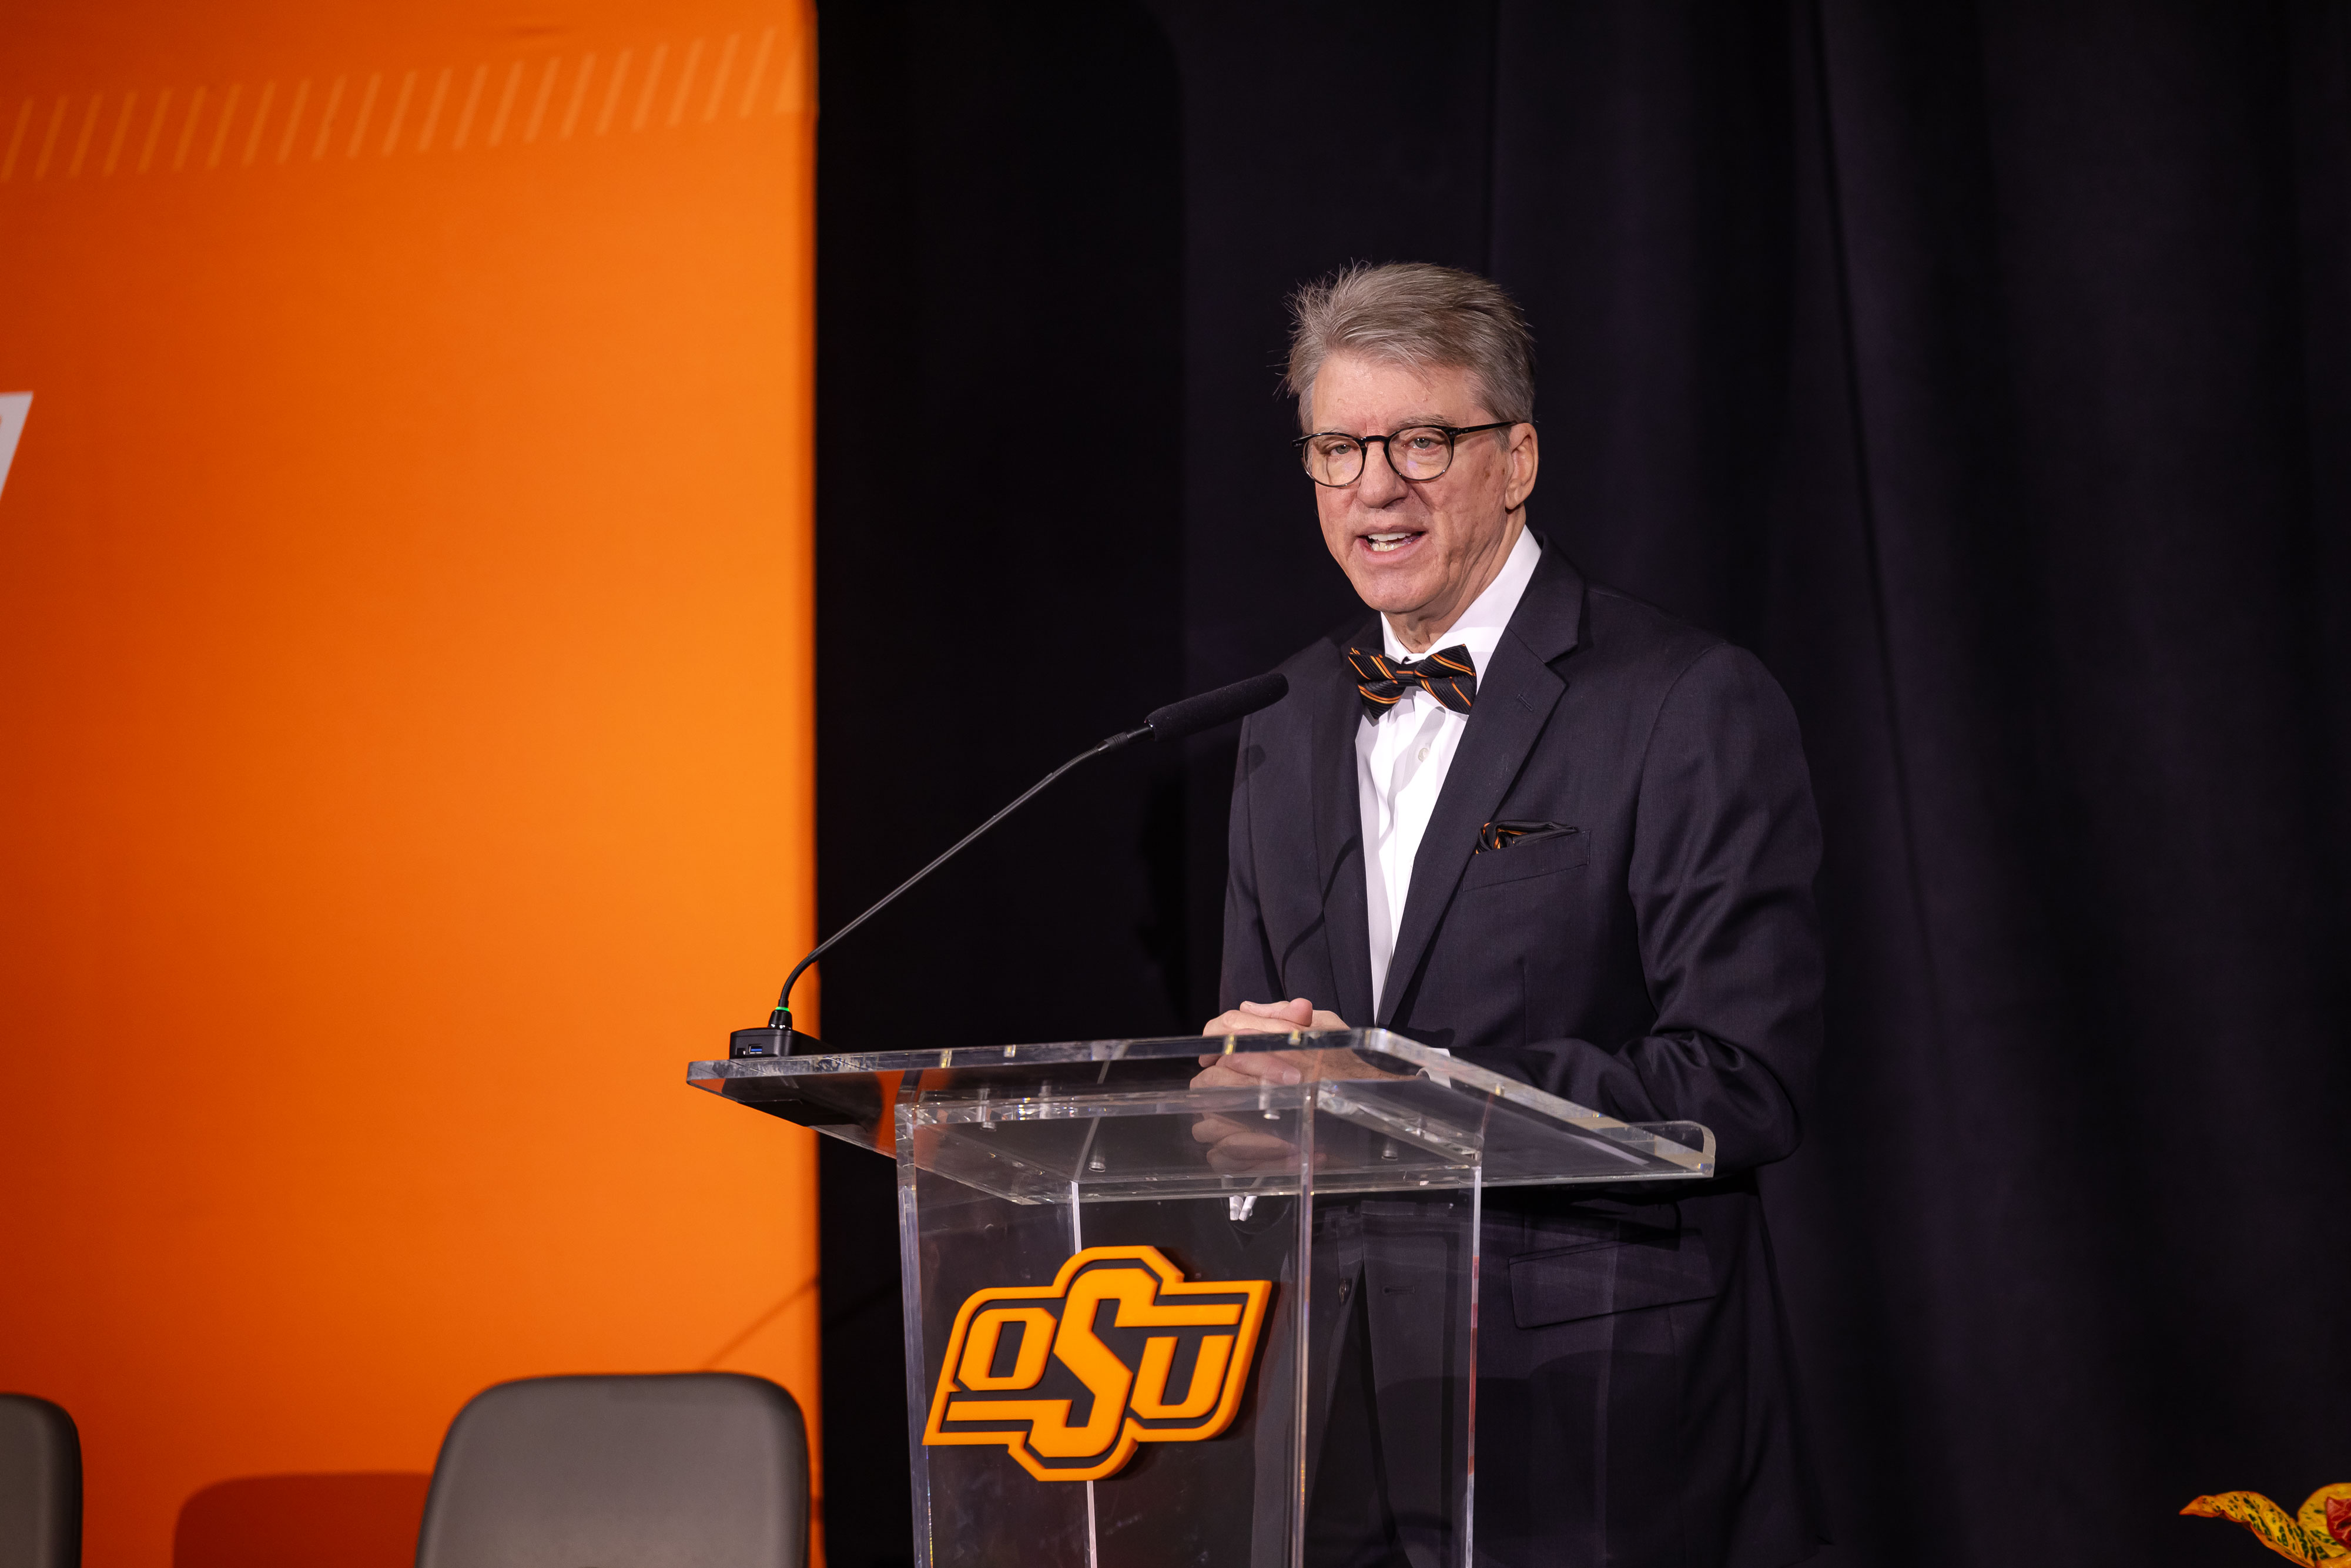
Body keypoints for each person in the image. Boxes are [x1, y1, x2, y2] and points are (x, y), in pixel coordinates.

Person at [1195, 263, 1826, 1567]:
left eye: (1421, 439)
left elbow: (1742, 1076)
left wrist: (1390, 1088)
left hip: (1583, 1405)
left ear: (1516, 455)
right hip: (1329, 1407)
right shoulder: (1281, 718)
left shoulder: (1681, 699)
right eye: (1336, 447)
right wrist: (1240, 1099)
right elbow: (1260, 1059)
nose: (1376, 485)